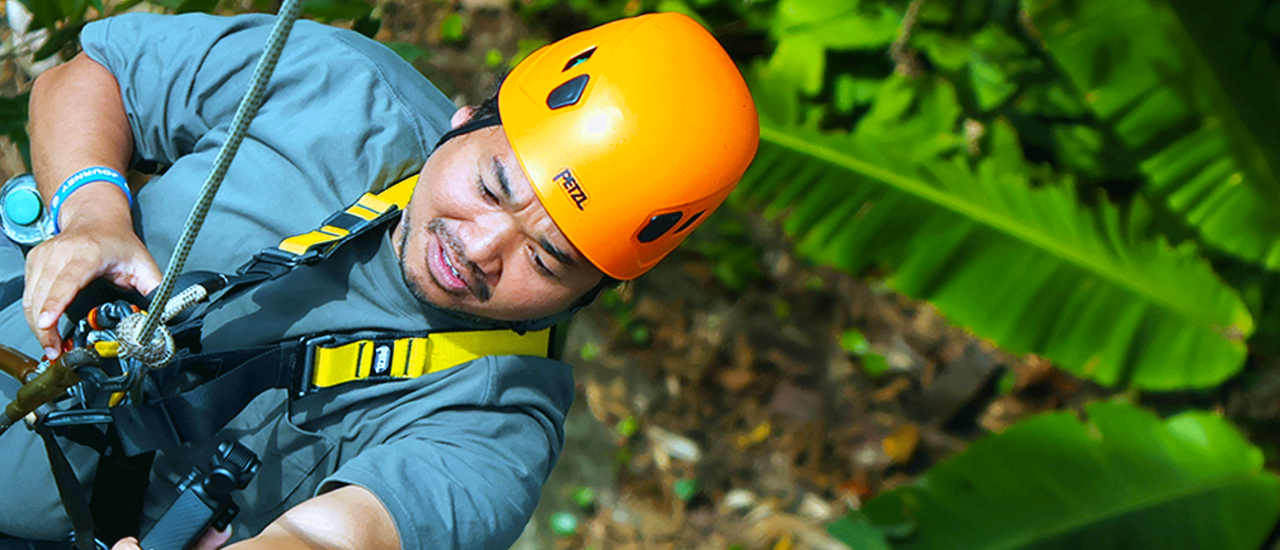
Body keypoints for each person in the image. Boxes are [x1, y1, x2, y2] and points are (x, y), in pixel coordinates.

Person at [0, 8, 757, 550]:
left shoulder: (494, 421)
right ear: (465, 119)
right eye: (494, 188)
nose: (482, 247)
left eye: (549, 258)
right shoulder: (337, 91)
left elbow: (342, 535)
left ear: (594, 292)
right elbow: (94, 75)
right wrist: (93, 210)